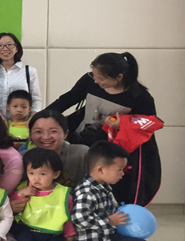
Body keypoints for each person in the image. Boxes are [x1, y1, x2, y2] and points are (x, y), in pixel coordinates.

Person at [48, 51, 161, 206]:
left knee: (106, 184)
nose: (95, 81)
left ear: (119, 77)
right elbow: (67, 99)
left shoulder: (139, 96)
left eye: (101, 78)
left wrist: (123, 124)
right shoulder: (89, 81)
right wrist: (42, 117)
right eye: (94, 76)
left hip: (110, 149)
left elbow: (150, 123)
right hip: (81, 138)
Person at [20, 109, 89, 188]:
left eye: (53, 131)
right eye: (38, 132)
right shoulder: (21, 158)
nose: (46, 137)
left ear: (65, 134)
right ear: (30, 135)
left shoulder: (82, 154)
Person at [0, 32, 42, 116]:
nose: (5, 48)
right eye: (0, 45)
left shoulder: (29, 71)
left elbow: (36, 99)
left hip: (23, 121)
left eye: (9, 45)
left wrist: (32, 118)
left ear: (17, 48)